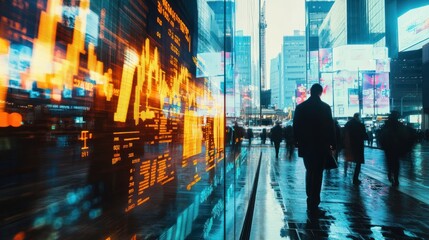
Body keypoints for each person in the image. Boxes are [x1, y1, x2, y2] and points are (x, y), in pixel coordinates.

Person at [293, 83, 336, 214]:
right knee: (318, 172)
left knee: (309, 169)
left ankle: (309, 195)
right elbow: (331, 127)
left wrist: (296, 141)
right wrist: (332, 143)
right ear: (321, 92)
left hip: (306, 144)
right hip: (321, 145)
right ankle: (315, 199)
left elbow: (296, 126)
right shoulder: (325, 108)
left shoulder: (301, 107)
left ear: (310, 92)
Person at [378, 111, 415, 186]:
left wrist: (382, 145)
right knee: (396, 163)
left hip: (388, 148)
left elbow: (382, 136)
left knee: (389, 162)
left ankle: (390, 175)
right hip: (396, 147)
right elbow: (405, 135)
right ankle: (395, 178)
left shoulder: (386, 125)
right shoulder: (399, 125)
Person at [343, 113, 368, 185]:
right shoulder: (360, 125)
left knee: (348, 161)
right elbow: (364, 136)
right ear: (358, 117)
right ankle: (355, 179)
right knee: (358, 163)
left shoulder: (348, 124)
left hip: (349, 145)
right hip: (358, 146)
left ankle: (348, 175)